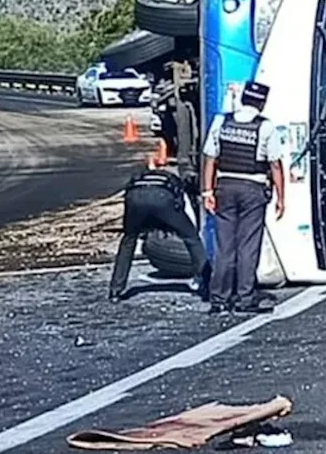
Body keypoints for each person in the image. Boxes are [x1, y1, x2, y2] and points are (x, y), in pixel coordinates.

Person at [201, 81, 285, 315]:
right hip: (253, 189)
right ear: (262, 102)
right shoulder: (265, 127)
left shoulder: (221, 122)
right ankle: (245, 298)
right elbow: (275, 165)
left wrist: (207, 191)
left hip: (224, 187)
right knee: (248, 246)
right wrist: (281, 198)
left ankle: (218, 299)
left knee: (224, 246)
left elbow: (210, 158)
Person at [108, 161, 208, 303]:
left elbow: (128, 198)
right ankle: (208, 283)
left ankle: (115, 289)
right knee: (191, 238)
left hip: (134, 198)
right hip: (162, 198)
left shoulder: (138, 177)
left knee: (128, 240)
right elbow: (183, 208)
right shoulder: (174, 180)